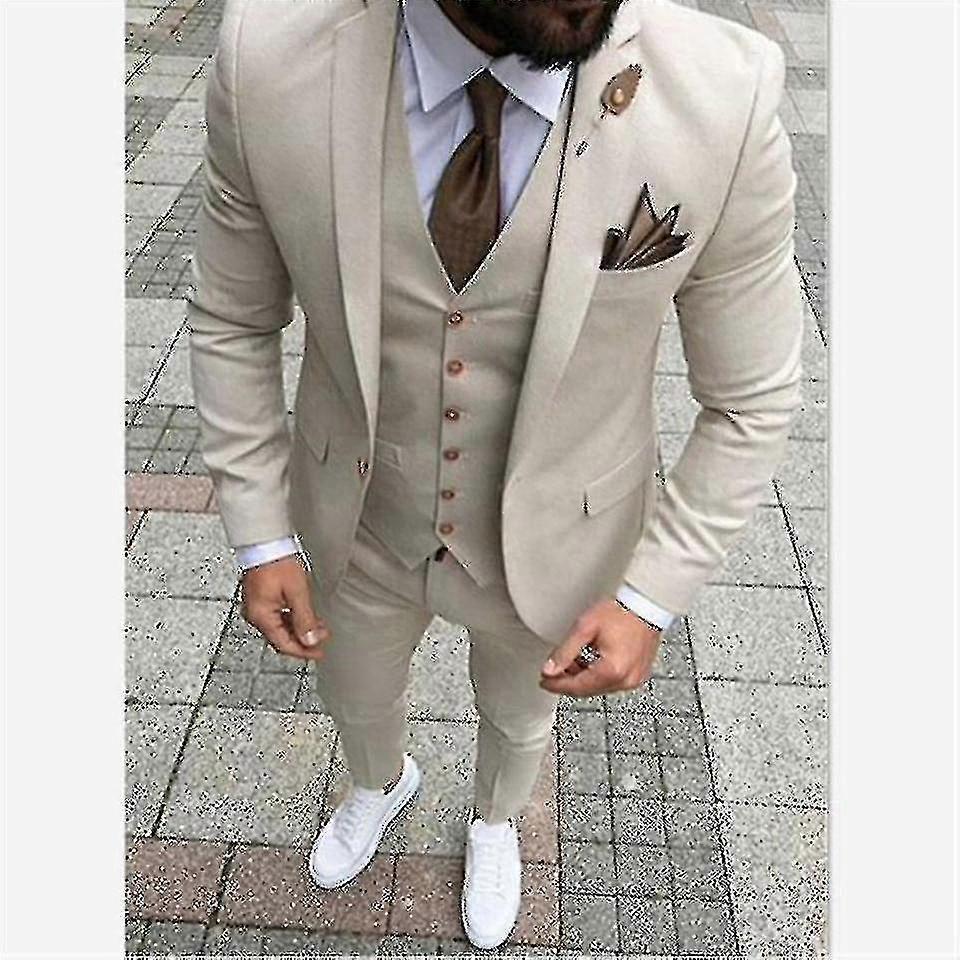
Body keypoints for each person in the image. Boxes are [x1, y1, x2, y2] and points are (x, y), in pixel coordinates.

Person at [187, 0, 803, 947]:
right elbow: (233, 318)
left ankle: (495, 820)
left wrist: (651, 594)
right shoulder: (266, 57)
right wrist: (262, 533)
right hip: (359, 520)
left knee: (519, 717)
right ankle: (379, 783)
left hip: (563, 536)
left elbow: (751, 399)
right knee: (355, 691)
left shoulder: (725, 91)